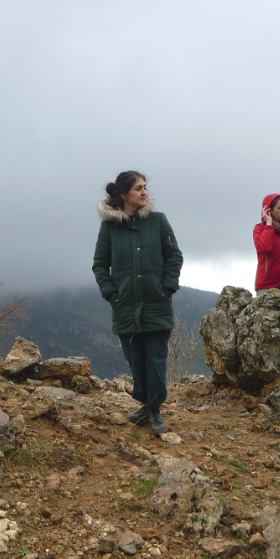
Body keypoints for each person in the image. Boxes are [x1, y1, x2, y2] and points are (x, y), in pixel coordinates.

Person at [93, 171, 183, 434]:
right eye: (138, 189)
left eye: (145, 188)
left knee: (155, 359)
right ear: (124, 194)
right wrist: (112, 293)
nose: (144, 192)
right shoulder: (110, 227)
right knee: (135, 358)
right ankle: (146, 405)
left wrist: (167, 287)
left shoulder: (158, 221)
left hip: (157, 302)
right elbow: (100, 264)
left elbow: (174, 255)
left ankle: (154, 409)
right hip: (125, 305)